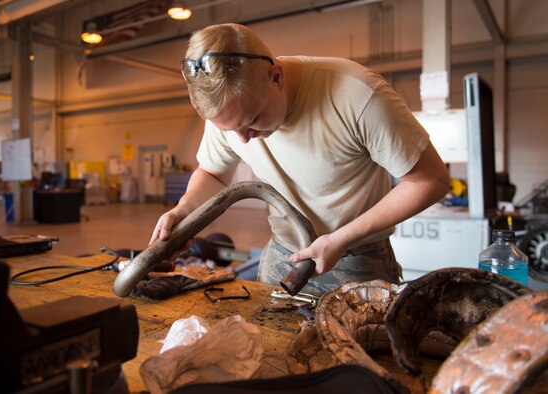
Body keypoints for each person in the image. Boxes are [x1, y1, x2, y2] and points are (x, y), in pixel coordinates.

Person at [149, 23, 450, 294]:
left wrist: (341, 239)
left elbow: (430, 179)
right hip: (283, 253)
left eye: (252, 120)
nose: (242, 138)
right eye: (229, 129)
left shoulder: (357, 95)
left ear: (276, 77)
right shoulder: (229, 111)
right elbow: (214, 173)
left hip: (355, 258)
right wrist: (185, 209)